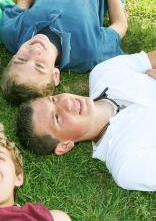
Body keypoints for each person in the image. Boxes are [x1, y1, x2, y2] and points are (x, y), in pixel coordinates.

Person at [17, 50, 156, 191]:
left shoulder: (103, 73)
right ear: (64, 146)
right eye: (57, 117)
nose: (66, 102)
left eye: (53, 100)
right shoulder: (126, 164)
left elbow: (148, 59)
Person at [0, 0, 128, 104]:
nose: (34, 52)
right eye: (39, 65)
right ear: (55, 75)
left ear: (12, 58)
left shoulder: (12, 32)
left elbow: (23, 2)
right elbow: (120, 24)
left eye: (21, 59)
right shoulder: (88, 52)